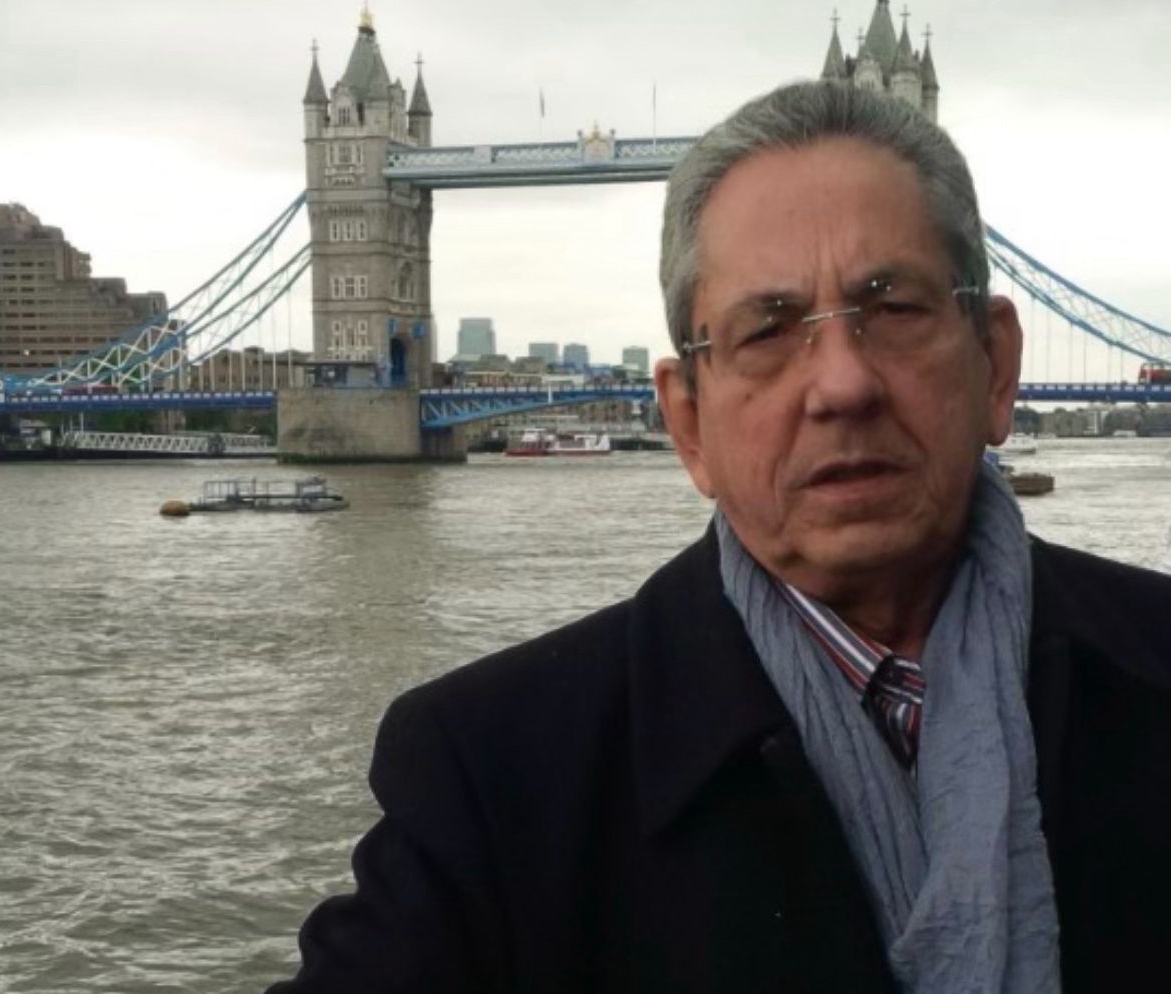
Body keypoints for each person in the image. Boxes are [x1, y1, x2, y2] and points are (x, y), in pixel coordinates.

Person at [265, 81, 1171, 993]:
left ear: (997, 366)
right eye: (768, 332)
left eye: (895, 309)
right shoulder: (492, 773)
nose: (843, 385)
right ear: (689, 423)